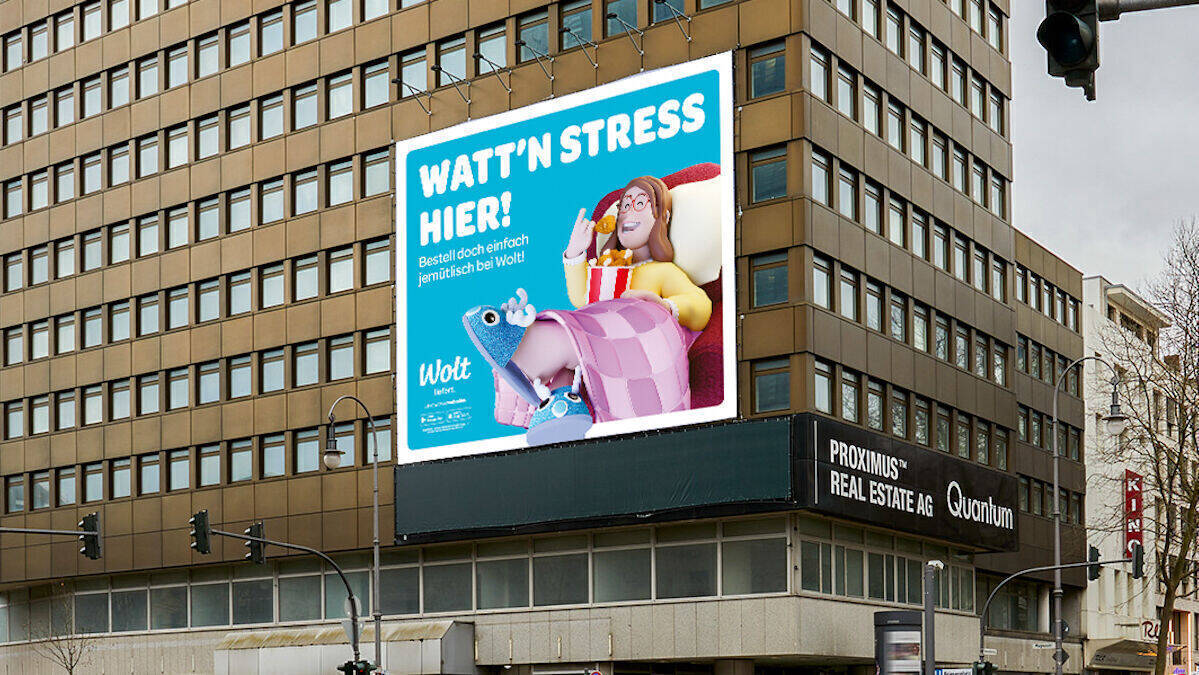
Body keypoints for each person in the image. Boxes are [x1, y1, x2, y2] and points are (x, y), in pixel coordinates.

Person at [463, 175, 711, 442]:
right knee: (575, 330)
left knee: (606, 324)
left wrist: (663, 305)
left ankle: (528, 354)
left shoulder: (662, 272)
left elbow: (700, 306)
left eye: (641, 203)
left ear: (662, 216)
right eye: (624, 205)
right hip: (598, 344)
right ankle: (560, 404)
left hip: (646, 346)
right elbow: (582, 299)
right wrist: (575, 253)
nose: (628, 211)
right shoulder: (608, 269)